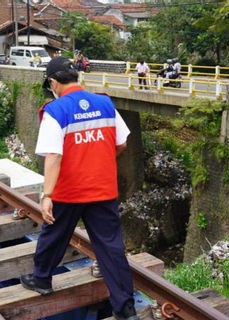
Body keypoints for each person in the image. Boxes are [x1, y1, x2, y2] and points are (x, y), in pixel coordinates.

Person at [20, 57, 138, 320]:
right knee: (111, 247)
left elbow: (54, 156)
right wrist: (98, 158)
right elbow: (121, 144)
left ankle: (42, 280)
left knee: (54, 235)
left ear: (53, 82)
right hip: (103, 189)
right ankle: (126, 308)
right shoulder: (105, 103)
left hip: (69, 191)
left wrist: (47, 195)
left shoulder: (55, 110)